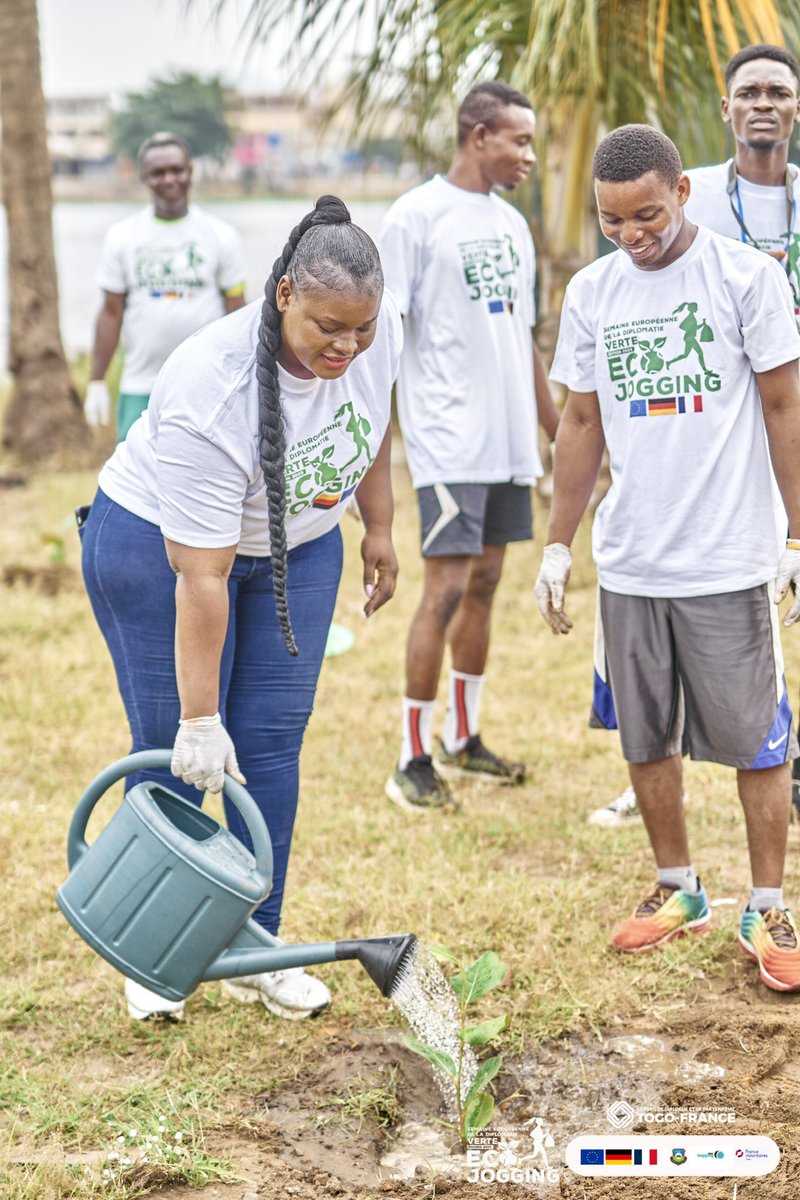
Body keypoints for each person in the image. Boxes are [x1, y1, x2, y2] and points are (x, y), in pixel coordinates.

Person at [80, 196, 400, 1020]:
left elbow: (372, 422)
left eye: (360, 330)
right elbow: (202, 577)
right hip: (161, 552)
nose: (347, 346)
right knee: (177, 756)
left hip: (300, 541)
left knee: (270, 747)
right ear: (285, 293)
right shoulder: (210, 385)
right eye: (329, 327)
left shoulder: (370, 329)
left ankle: (259, 943)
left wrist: (381, 526)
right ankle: (157, 953)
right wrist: (197, 717)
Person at [536, 125, 800, 992]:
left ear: (683, 191)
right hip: (633, 560)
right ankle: (678, 887)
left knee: (757, 741)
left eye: (646, 215)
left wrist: (798, 538)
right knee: (644, 735)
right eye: (613, 222)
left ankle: (768, 905)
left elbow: (783, 410)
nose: (632, 235)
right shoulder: (593, 291)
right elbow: (580, 422)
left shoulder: (746, 279)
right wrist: (555, 547)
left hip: (727, 557)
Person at [592, 42, 800, 828]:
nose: (762, 103)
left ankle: (783, 759)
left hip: (789, 402)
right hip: (724, 426)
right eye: (747, 90)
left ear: (796, 106)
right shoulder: (695, 195)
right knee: (692, 600)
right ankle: (648, 772)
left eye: (778, 90)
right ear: (726, 107)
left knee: (774, 605)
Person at [378, 81, 560, 812]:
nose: (528, 154)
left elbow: (523, 337)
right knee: (445, 590)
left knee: (485, 586)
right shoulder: (415, 217)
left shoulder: (513, 226)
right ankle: (411, 757)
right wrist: (375, 447)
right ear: (478, 134)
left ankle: (464, 736)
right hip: (448, 441)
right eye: (518, 140)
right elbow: (382, 342)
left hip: (509, 444)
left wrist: (559, 432)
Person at [84, 132, 246, 441]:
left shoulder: (222, 235)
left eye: (177, 170)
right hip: (141, 384)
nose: (169, 179)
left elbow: (236, 311)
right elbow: (110, 312)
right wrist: (96, 380)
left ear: (190, 172)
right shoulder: (122, 236)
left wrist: (242, 376)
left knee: (204, 477)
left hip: (207, 384)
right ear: (144, 177)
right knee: (133, 480)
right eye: (158, 172)